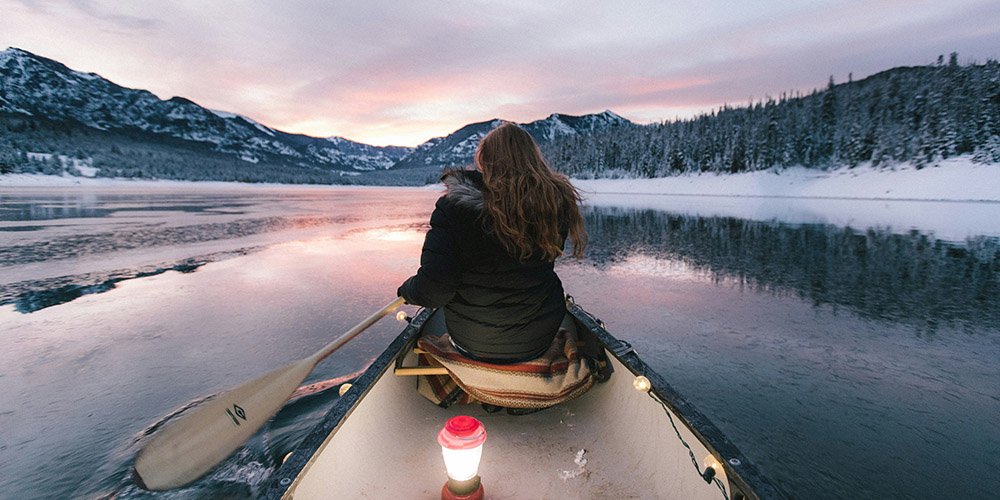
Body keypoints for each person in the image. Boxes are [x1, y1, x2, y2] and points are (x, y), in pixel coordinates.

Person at [397, 122, 587, 363]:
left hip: (474, 343)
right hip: (539, 339)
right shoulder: (552, 205)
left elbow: (435, 290)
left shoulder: (454, 209)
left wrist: (407, 290)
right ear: (532, 159)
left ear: (484, 162)